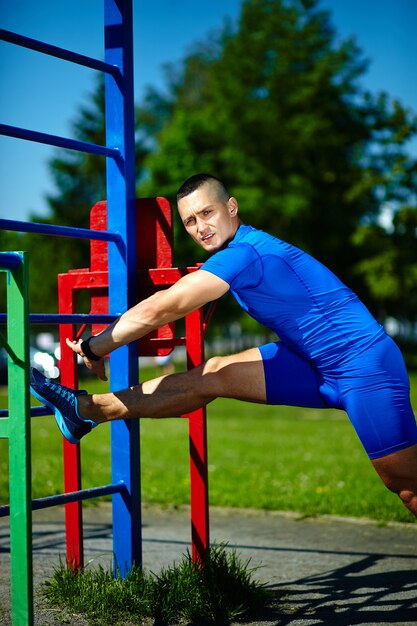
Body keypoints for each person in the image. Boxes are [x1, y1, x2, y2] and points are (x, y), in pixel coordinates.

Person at [30, 173, 417, 518]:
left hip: (365, 366)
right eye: (190, 221)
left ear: (231, 207)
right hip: (309, 363)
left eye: (208, 213)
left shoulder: (245, 254)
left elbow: (166, 306)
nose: (201, 228)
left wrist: (96, 347)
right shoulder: (235, 254)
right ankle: (86, 410)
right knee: (211, 373)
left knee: (405, 486)